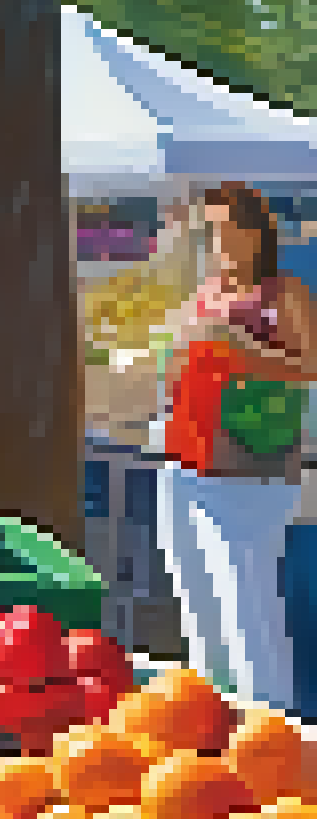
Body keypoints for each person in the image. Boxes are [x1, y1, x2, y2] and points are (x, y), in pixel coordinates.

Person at [157, 182, 317, 712]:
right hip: (187, 459)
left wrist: (239, 347)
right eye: (210, 231)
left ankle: (274, 729)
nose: (220, 241)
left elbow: (310, 368)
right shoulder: (205, 292)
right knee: (200, 604)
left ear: (258, 234)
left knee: (248, 607)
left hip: (252, 468)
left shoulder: (282, 292)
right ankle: (217, 724)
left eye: (229, 229)